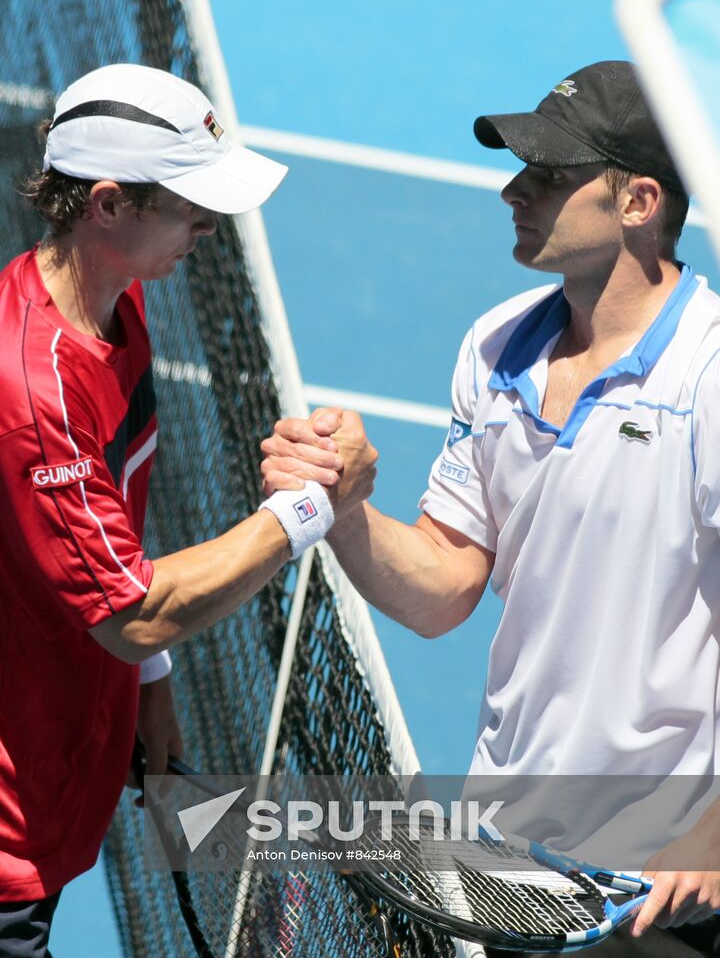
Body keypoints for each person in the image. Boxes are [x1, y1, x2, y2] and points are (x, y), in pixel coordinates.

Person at [261, 61, 720, 956]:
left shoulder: (708, 377)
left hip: (661, 881)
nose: (515, 190)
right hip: (511, 858)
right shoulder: (496, 343)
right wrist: (346, 510)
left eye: (550, 175)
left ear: (639, 202)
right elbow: (444, 587)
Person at [0, 63, 374, 956]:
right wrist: (308, 509)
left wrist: (152, 686)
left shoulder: (114, 303)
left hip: (54, 779)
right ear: (107, 204)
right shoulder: (35, 390)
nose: (210, 226)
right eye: (188, 204)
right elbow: (132, 612)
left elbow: (108, 541)